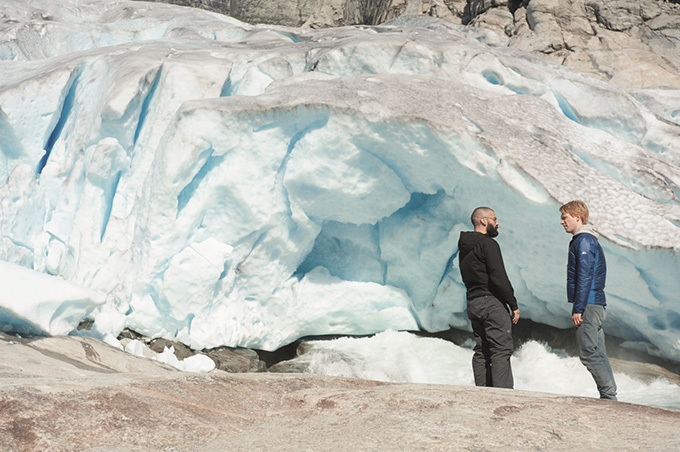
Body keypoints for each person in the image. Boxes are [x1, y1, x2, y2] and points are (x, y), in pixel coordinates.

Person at [560, 200, 617, 400]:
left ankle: (609, 397)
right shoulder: (587, 240)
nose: (561, 222)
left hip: (589, 305)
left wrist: (579, 308)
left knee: (588, 353)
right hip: (595, 303)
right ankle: (610, 396)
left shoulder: (584, 241)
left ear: (578, 217)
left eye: (564, 217)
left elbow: (584, 275)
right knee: (598, 352)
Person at [458, 207, 520, 388]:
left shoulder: (465, 246)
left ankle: (483, 392)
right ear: (484, 221)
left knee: (482, 349)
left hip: (473, 302)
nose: (497, 222)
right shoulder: (488, 244)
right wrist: (513, 304)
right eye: (494, 218)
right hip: (492, 303)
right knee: (501, 350)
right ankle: (502, 395)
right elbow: (498, 276)